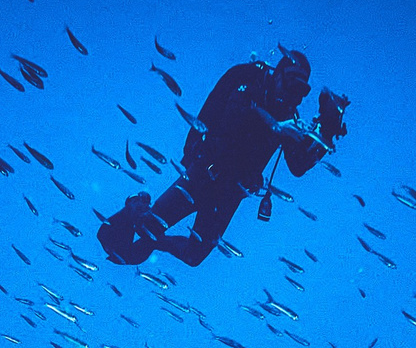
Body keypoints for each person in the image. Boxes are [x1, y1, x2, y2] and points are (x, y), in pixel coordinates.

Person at [100, 47, 348, 267]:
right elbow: (235, 114)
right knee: (140, 234)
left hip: (231, 191)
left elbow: (297, 166)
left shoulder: (288, 116)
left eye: (302, 92)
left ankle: (152, 234)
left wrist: (327, 129)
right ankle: (131, 210)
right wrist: (275, 125)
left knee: (193, 256)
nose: (294, 97)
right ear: (278, 74)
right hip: (205, 171)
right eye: (292, 85)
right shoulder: (250, 79)